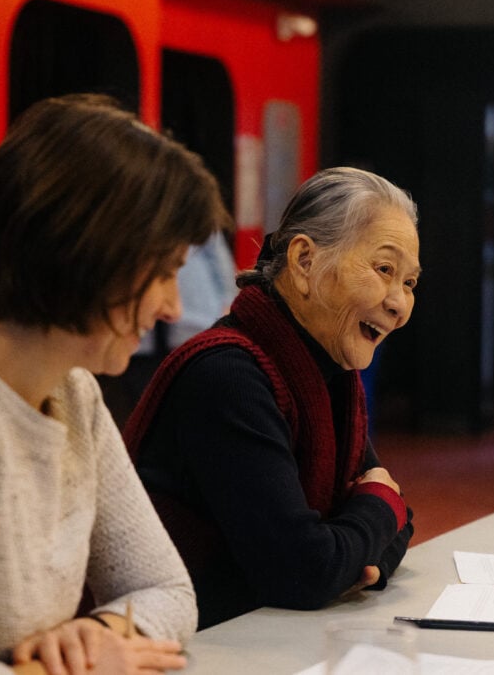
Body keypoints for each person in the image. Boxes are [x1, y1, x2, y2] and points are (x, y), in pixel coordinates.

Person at [0, 93, 230, 674]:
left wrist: (98, 635)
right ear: (91, 252)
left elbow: (166, 589)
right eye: (163, 273)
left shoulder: (73, 391)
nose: (173, 307)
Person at [124, 167, 419, 628]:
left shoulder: (330, 373)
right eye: (384, 270)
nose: (399, 305)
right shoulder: (228, 375)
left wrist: (361, 539)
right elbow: (305, 571)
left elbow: (399, 520)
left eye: (409, 282)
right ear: (304, 261)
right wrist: (375, 511)